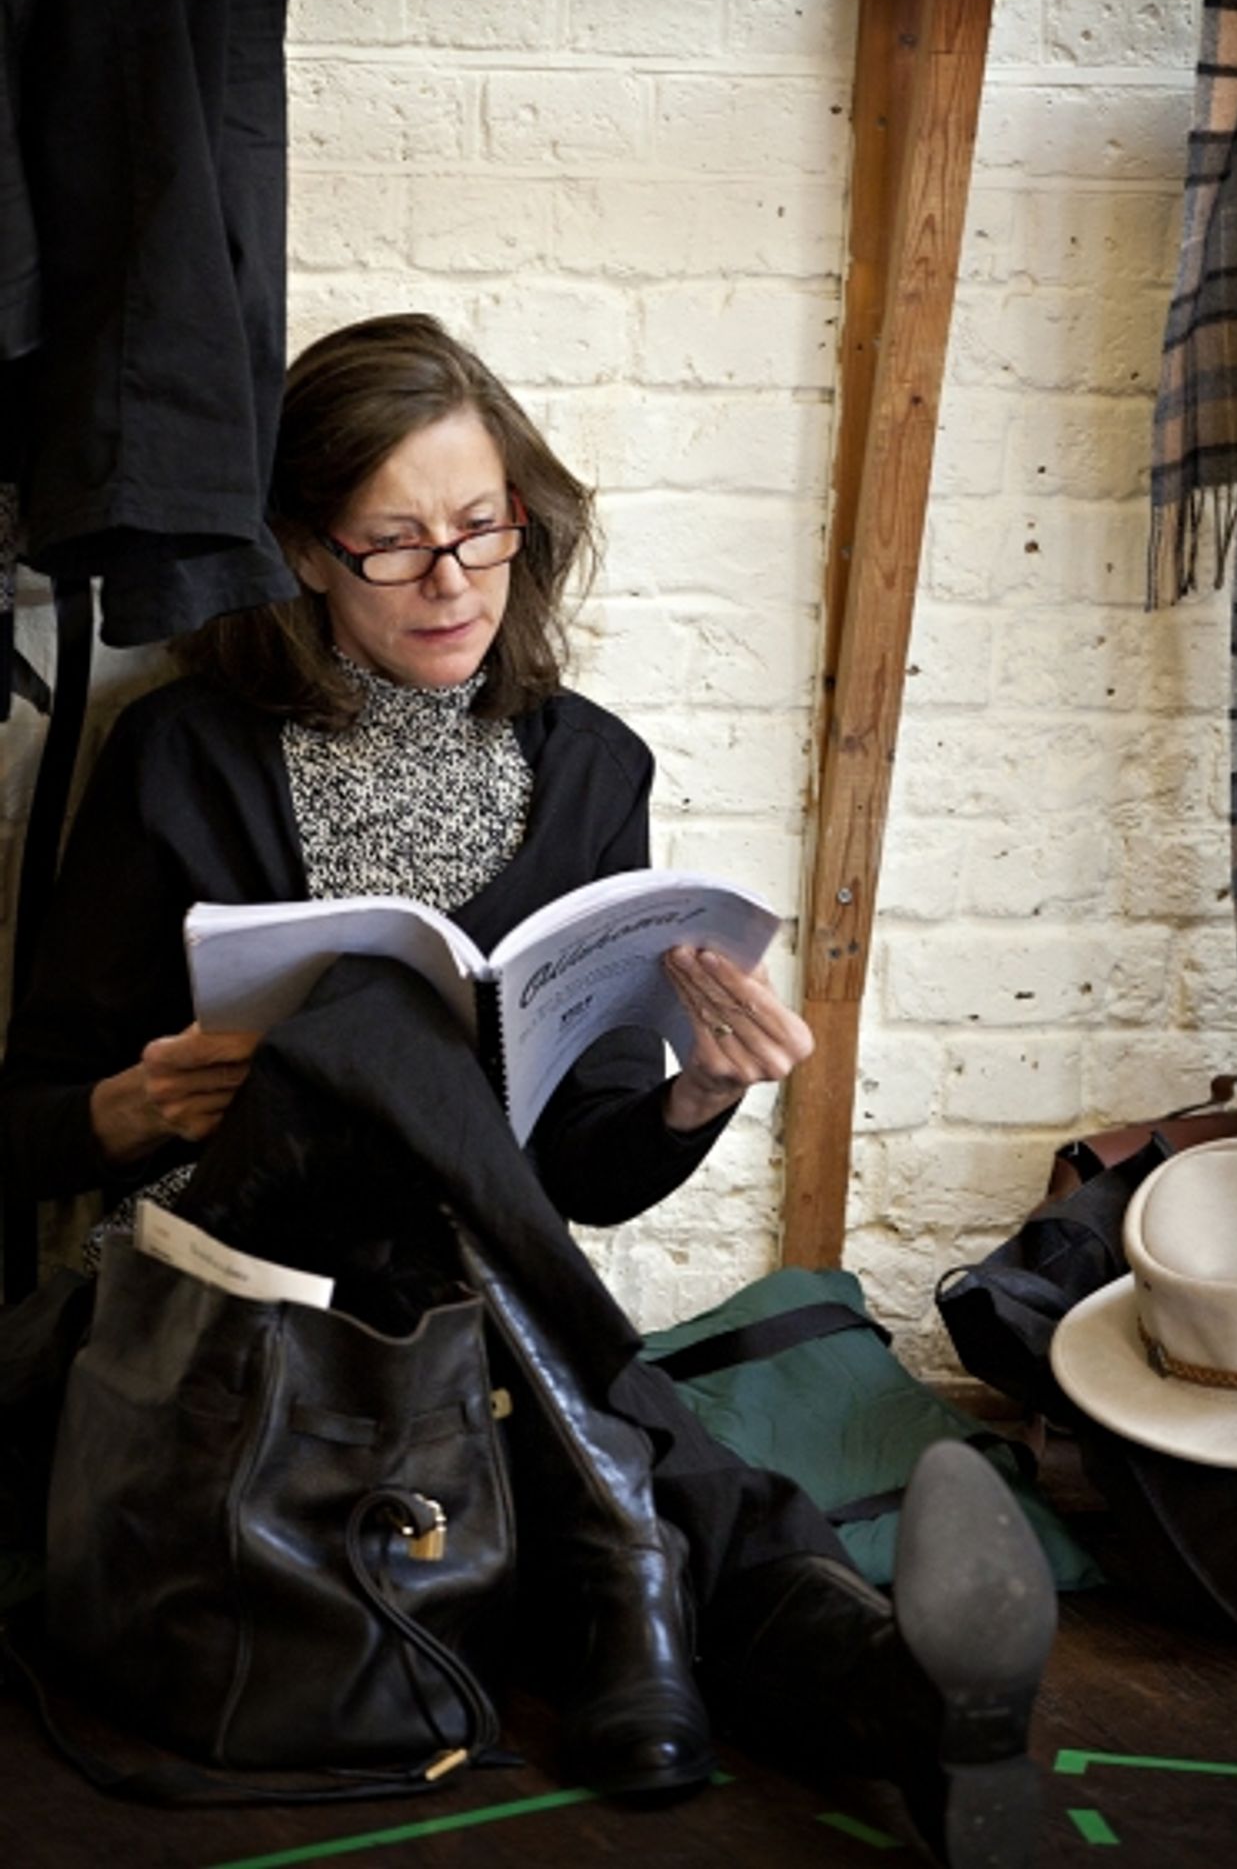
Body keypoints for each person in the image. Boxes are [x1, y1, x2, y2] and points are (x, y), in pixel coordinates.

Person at [0, 313, 1055, 1864]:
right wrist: (135, 1112)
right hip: (236, 1329)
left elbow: (580, 1176)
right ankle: (625, 1542)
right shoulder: (181, 754)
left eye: (486, 531)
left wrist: (698, 1093)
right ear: (302, 551)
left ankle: (900, 1705)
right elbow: (22, 1123)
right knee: (366, 1009)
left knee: (513, 1298)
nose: (455, 582)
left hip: (464, 1340)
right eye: (397, 543)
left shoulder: (591, 769)